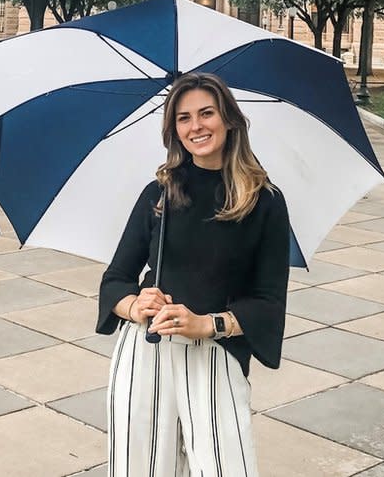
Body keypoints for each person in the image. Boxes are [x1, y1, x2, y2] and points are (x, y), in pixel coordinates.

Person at [97, 72, 290, 477]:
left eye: (206, 113)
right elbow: (115, 279)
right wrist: (135, 305)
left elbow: (269, 303)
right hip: (147, 351)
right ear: (174, 129)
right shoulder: (160, 194)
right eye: (183, 118)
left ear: (230, 120)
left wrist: (206, 324)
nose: (196, 126)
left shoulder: (265, 202)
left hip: (215, 354)